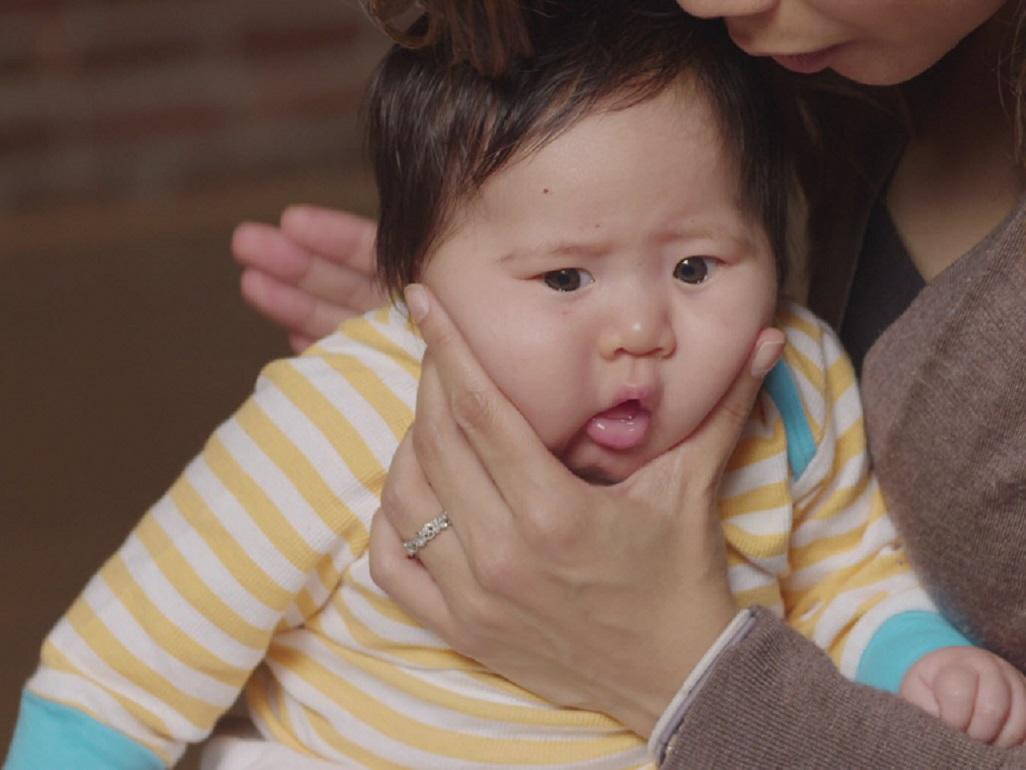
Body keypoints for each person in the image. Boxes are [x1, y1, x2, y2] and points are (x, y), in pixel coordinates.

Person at [7, 3, 1022, 769]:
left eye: (696, 268)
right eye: (565, 277)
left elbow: (845, 563)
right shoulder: (345, 418)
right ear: (422, 288)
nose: (639, 332)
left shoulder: (788, 381)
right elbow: (122, 670)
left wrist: (912, 652)